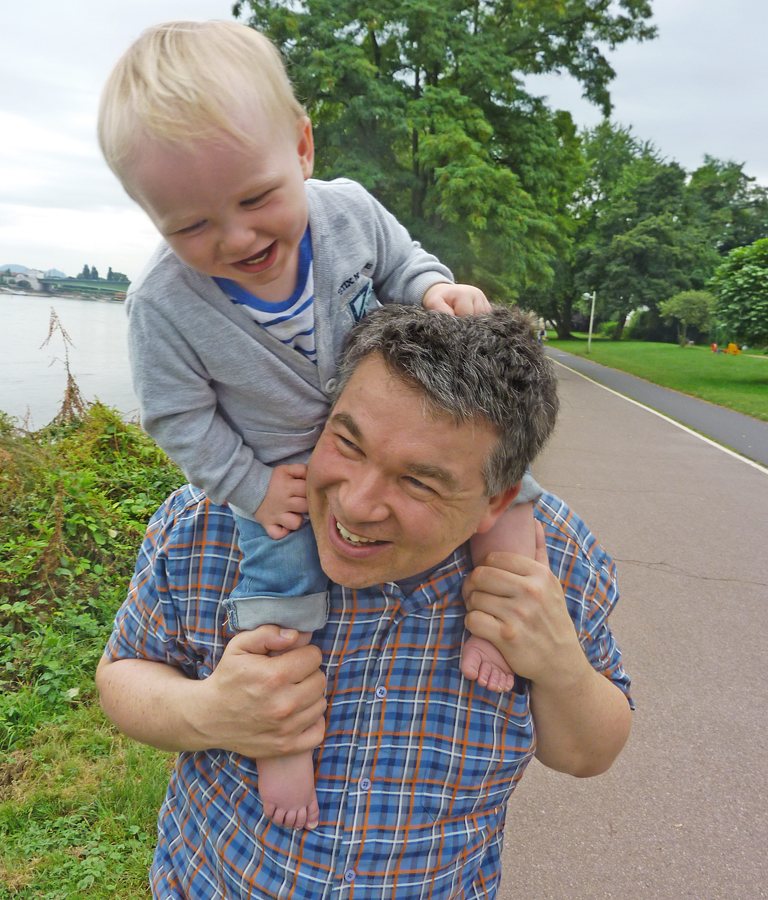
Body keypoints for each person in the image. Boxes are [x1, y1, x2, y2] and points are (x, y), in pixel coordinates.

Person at [97, 19, 541, 827]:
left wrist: (436, 291)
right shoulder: (163, 307)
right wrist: (252, 485)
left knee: (510, 508)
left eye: (256, 198)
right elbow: (177, 416)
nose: (236, 237)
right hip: (285, 477)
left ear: (301, 147)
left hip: (388, 429)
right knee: (277, 597)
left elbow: (404, 262)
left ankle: (503, 625)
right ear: (151, 217)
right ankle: (280, 739)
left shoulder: (349, 212)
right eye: (189, 226)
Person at [96, 305, 633, 900]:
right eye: (347, 444)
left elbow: (587, 753)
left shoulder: (553, 562)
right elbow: (121, 674)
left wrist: (558, 662)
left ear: (496, 501)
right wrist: (207, 711)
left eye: (419, 481)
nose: (356, 505)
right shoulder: (207, 519)